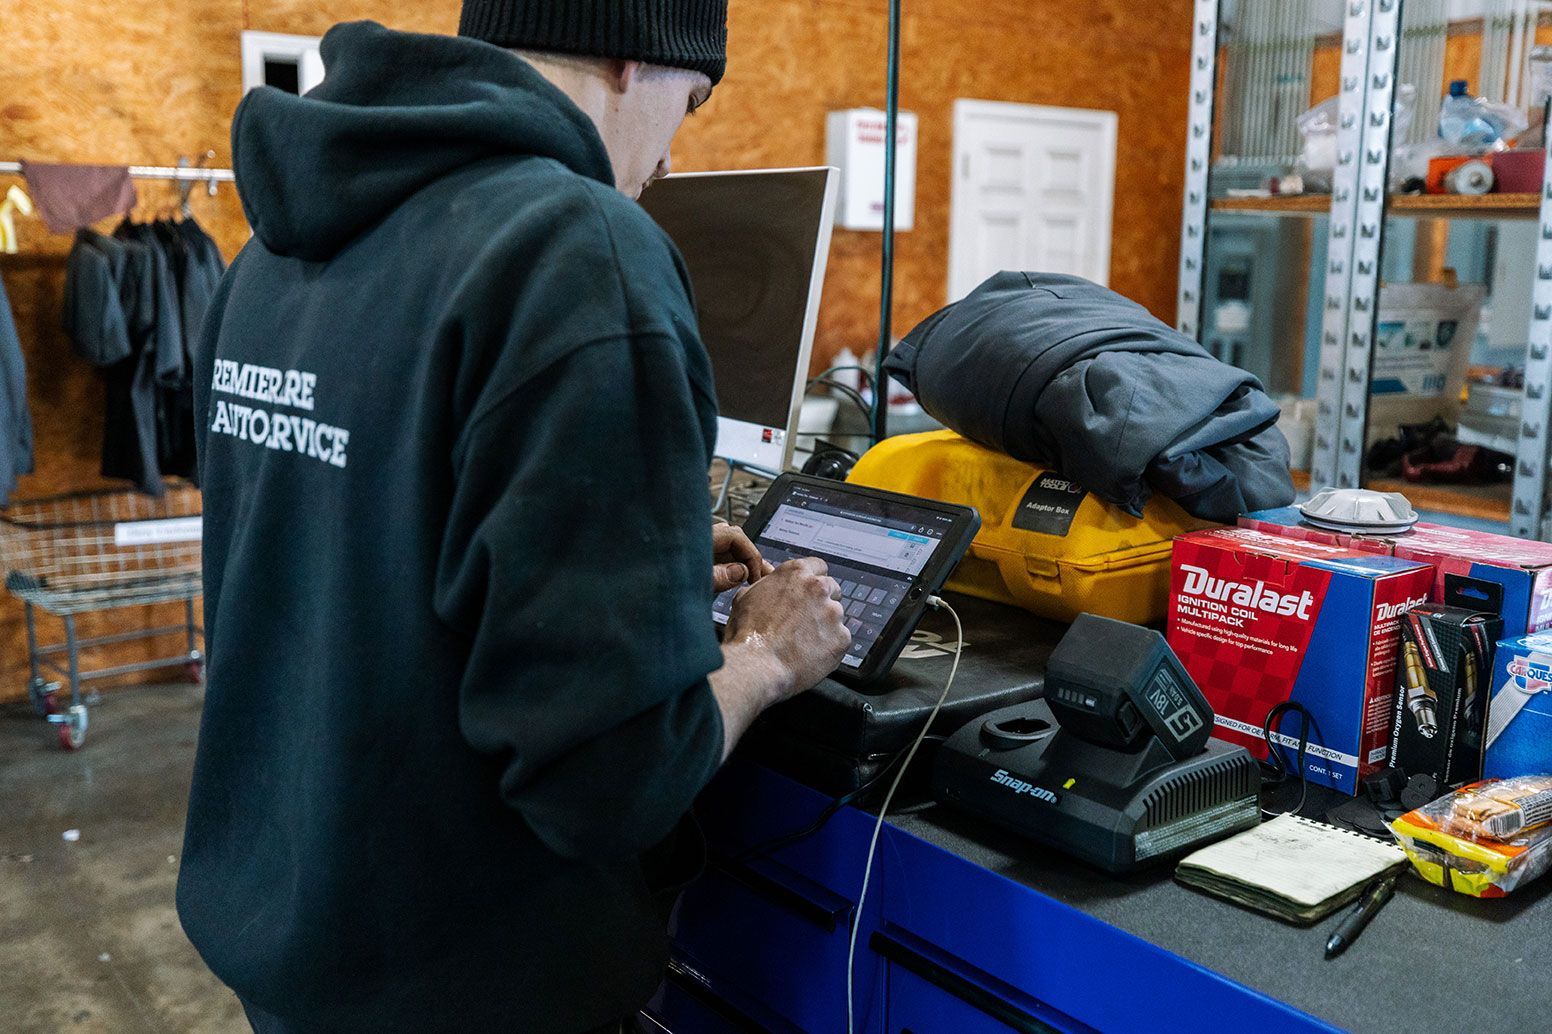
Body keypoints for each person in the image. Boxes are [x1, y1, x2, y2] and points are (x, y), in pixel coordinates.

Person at [175, 4, 852, 1032]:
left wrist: (640, 563)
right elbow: (611, 775)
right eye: (691, 102)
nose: (670, 157)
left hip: (297, 934)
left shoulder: (272, 252)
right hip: (471, 973)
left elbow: (358, 534)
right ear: (634, 52)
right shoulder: (581, 249)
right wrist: (762, 655)